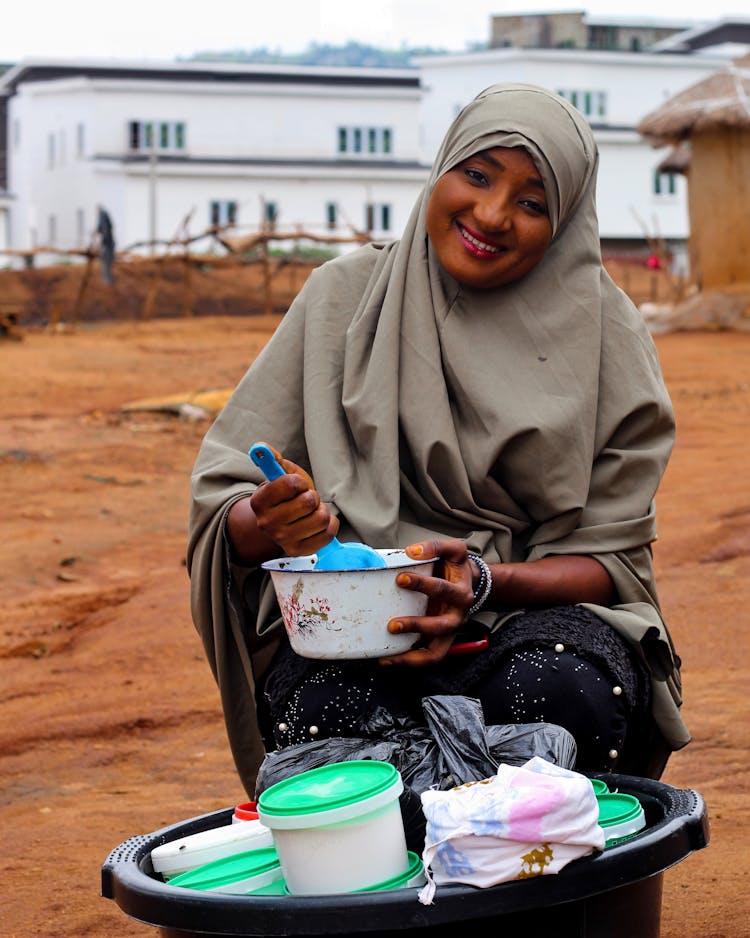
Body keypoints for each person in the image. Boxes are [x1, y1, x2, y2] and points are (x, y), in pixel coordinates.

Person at [187, 83, 689, 798]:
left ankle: (536, 894)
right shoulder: (343, 301)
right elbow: (226, 508)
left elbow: (612, 559)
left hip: (531, 614)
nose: (491, 214)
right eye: (478, 175)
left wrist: (483, 579)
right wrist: (270, 520)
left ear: (568, 219)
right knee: (331, 720)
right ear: (441, 167)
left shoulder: (608, 337)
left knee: (562, 695)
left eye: (533, 201)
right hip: (356, 621)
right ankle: (382, 903)